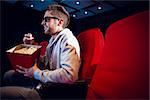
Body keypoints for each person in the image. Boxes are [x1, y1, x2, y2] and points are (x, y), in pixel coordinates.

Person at [0, 4, 81, 99]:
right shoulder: (52, 41)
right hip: (43, 83)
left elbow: (69, 75)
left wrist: (36, 73)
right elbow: (43, 65)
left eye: (47, 19)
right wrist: (30, 46)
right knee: (8, 75)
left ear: (59, 22)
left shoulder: (68, 40)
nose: (42, 23)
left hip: (51, 91)